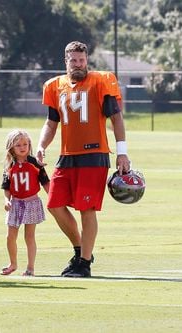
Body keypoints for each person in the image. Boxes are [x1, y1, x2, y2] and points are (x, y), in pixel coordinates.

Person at [36, 41, 131, 278]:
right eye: (73, 60)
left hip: (94, 154)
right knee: (55, 205)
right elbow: (51, 122)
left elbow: (116, 118)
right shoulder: (55, 86)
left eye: (81, 60)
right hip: (67, 155)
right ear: (65, 61)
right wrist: (41, 146)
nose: (78, 64)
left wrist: (122, 151)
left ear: (86, 60)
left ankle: (84, 264)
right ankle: (81, 250)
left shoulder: (100, 81)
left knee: (86, 209)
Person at [0, 129, 49, 277]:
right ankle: (13, 263)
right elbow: (6, 188)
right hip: (15, 204)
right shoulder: (9, 166)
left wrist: (53, 199)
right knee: (10, 236)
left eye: (25, 144)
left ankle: (30, 268)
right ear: (11, 148)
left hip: (31, 203)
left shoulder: (35, 163)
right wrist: (6, 200)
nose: (22, 147)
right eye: (18, 145)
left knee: (29, 236)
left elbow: (46, 183)